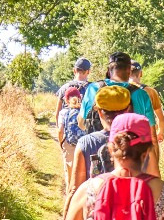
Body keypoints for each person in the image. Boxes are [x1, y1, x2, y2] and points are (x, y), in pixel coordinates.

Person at [68, 83, 131, 193]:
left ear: (100, 112)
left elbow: (74, 189)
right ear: (128, 110)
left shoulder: (86, 143)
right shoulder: (141, 142)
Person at [79, 52, 157, 132]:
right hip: (129, 143)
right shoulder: (141, 94)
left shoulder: (94, 88)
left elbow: (81, 123)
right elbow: (151, 131)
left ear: (109, 71)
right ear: (129, 72)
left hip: (98, 143)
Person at [56, 59, 93, 192]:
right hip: (88, 139)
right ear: (88, 71)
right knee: (87, 174)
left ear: (74, 70)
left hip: (69, 140)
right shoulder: (93, 88)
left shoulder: (65, 88)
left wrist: (62, 140)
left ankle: (71, 203)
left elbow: (58, 112)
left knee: (71, 174)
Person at [128, 61, 164, 143]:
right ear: (141, 73)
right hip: (146, 137)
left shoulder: (121, 90)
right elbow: (161, 118)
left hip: (127, 137)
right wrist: (161, 132)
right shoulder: (150, 91)